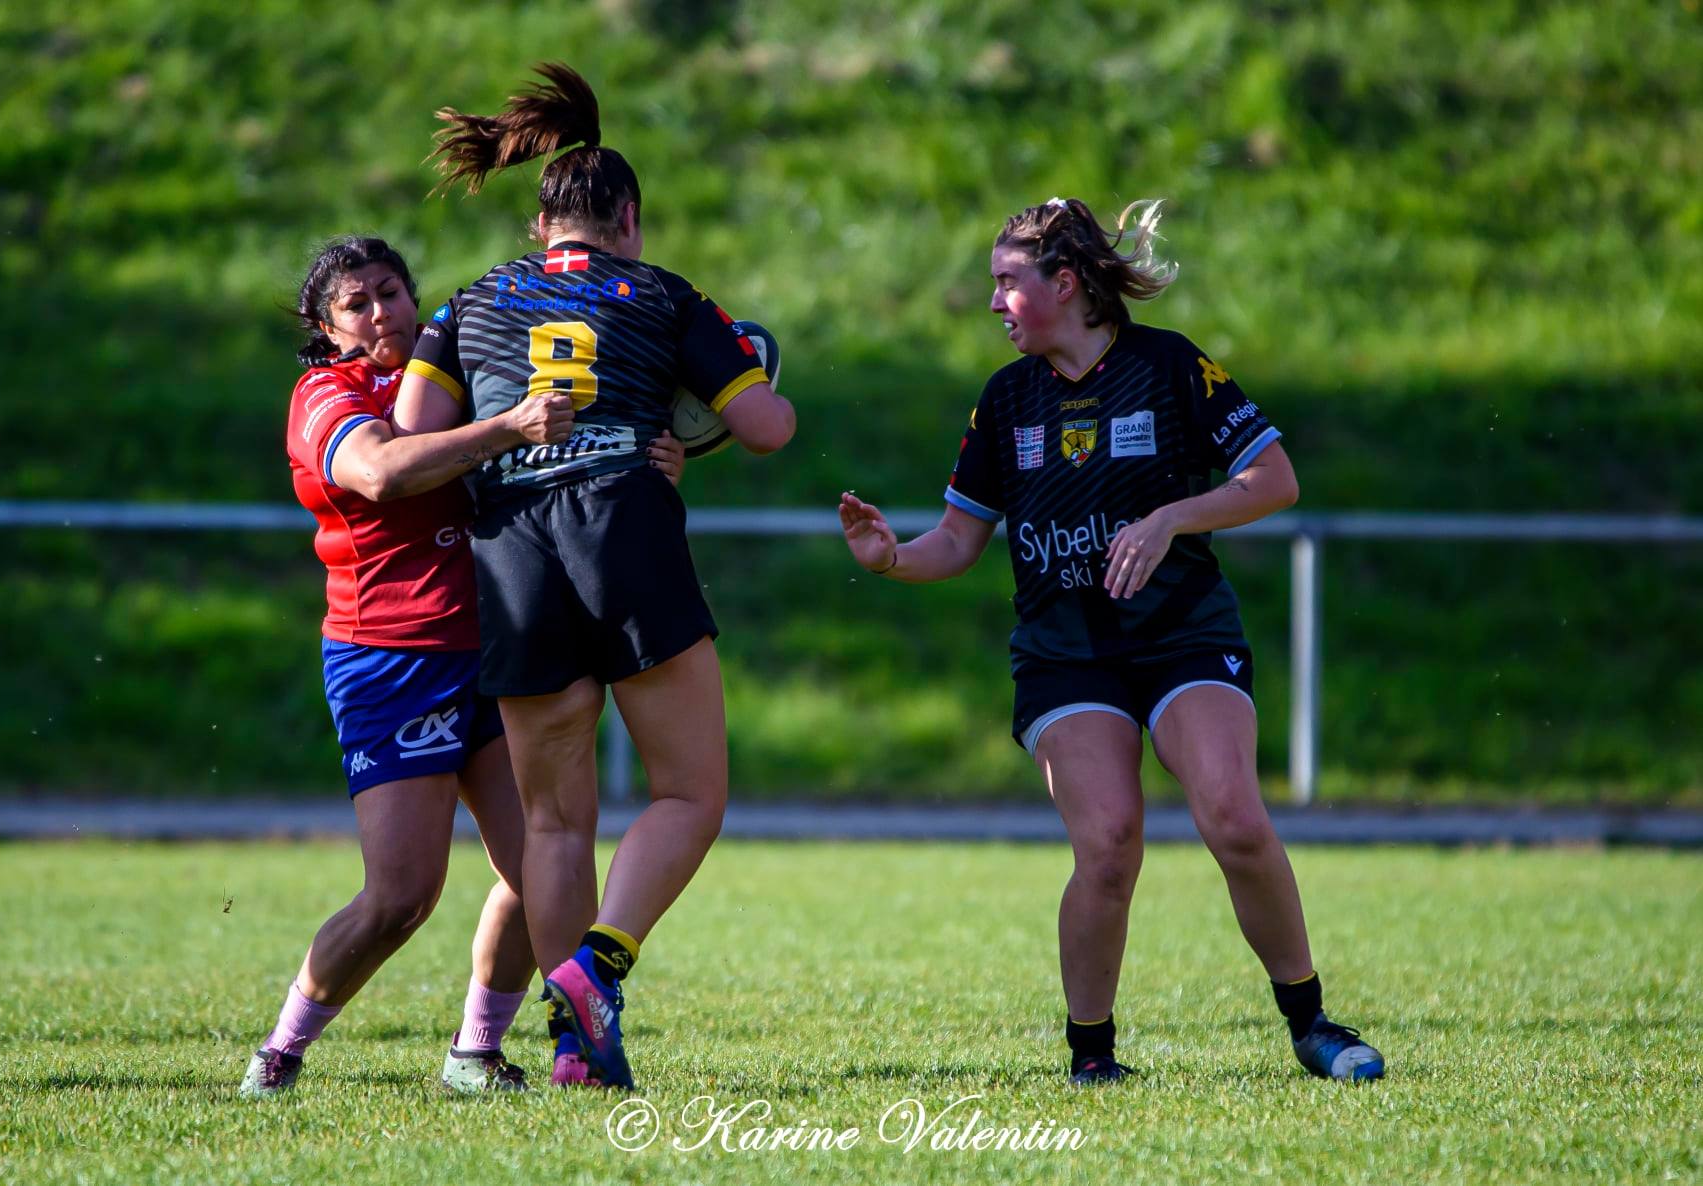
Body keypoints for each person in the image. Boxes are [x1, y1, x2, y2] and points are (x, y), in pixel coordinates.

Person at [838, 197, 1384, 1084]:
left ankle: (1310, 1022)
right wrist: (890, 557)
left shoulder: (1168, 367)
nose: (992, 303)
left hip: (1181, 635)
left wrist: (1171, 518)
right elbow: (956, 541)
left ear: (1066, 284)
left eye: (1006, 283)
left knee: (1234, 817)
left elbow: (1271, 478)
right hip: (1065, 656)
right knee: (1109, 842)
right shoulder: (1005, 400)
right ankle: (1092, 1056)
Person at [392, 63, 796, 1090]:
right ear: (628, 218)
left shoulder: (470, 300)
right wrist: (676, 428)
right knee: (691, 790)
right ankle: (593, 969)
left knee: (558, 821)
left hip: (512, 544)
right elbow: (766, 426)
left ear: (540, 225)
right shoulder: (662, 293)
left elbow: (411, 437)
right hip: (622, 523)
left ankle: (577, 1050)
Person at [241, 235, 688, 1098]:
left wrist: (658, 457)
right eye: (357, 305)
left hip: (496, 642)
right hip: (391, 657)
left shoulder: (457, 372)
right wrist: (508, 427)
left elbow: (567, 446)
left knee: (542, 867)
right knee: (400, 897)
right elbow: (378, 471)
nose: (382, 314)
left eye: (393, 293)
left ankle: (475, 1052)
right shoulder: (325, 392)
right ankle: (281, 1051)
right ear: (327, 329)